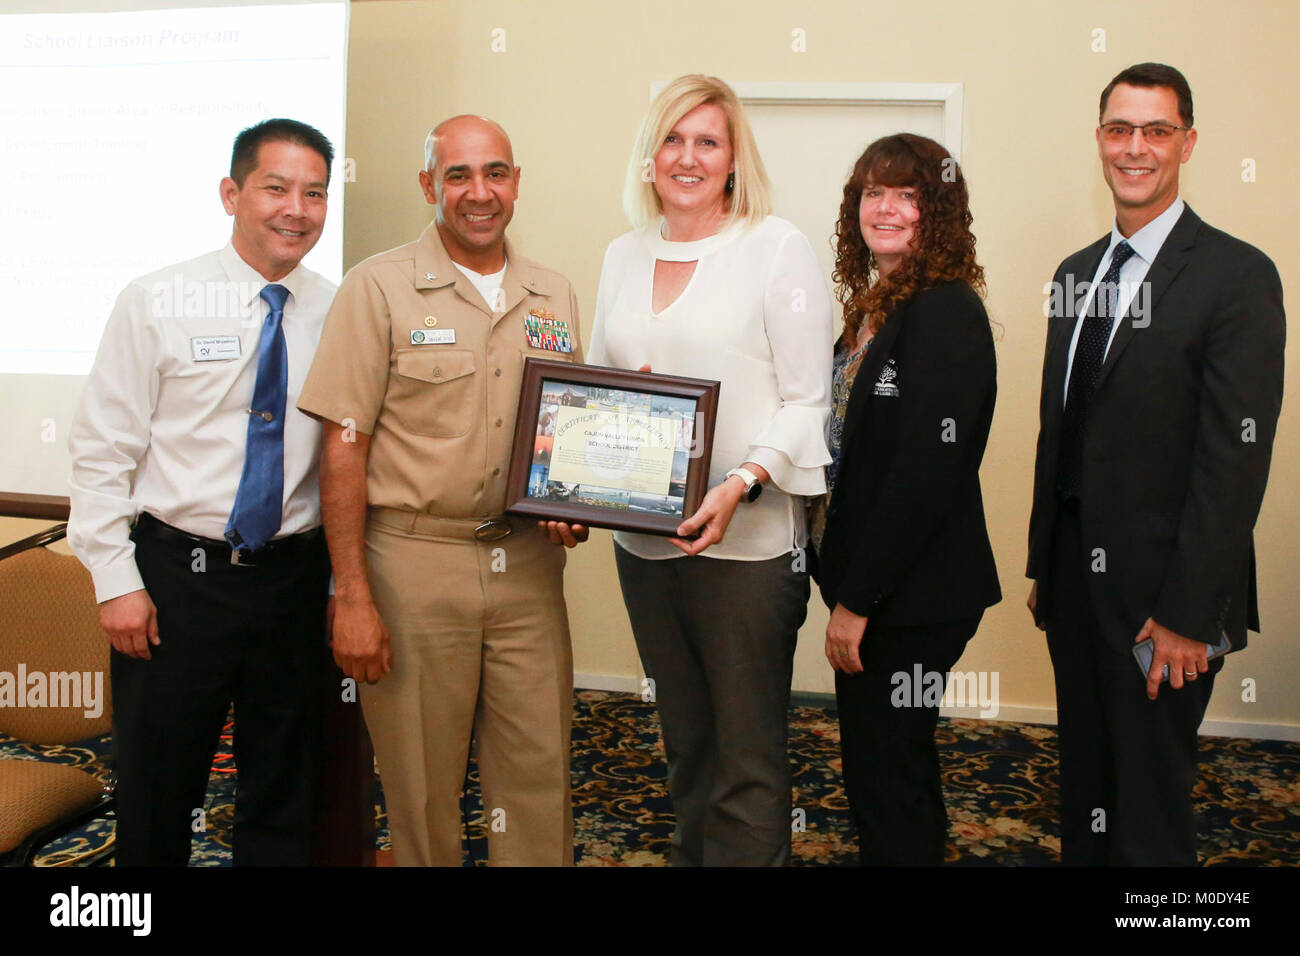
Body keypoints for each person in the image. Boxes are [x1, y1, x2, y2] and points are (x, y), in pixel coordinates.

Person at [297, 115, 586, 867]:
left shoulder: (552, 293)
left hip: (525, 569)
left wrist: (572, 502)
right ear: (430, 186)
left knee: (538, 772)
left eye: (495, 172)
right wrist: (352, 593)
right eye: (457, 176)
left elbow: (565, 434)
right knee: (421, 787)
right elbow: (343, 448)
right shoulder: (377, 288)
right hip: (412, 567)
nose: (479, 192)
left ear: (517, 183)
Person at [1026, 63, 1285, 866]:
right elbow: (1061, 432)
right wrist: (1047, 563)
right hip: (1074, 591)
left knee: (1146, 811)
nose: (1134, 148)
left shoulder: (1236, 276)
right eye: (1119, 129)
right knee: (1086, 793)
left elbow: (1232, 461)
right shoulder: (1076, 274)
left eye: (1156, 131)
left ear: (1188, 143)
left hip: (1165, 605)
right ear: (1100, 139)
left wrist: (1185, 615)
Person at [67, 119, 338, 865]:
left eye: (314, 193)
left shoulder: (340, 309)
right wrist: (114, 581)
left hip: (292, 580)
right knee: (157, 791)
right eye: (276, 188)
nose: (297, 209)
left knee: (284, 792)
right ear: (232, 193)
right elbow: (101, 450)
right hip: (176, 582)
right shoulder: (156, 299)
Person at [588, 75, 833, 866]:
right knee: (686, 742)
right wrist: (570, 480)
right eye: (673, 139)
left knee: (746, 754)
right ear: (649, 155)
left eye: (708, 142)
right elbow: (596, 387)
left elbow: (808, 401)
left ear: (733, 159)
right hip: (646, 546)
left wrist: (742, 482)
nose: (687, 157)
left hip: (747, 547)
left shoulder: (776, 247)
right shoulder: (623, 254)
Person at [810, 133, 1001, 866]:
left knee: (890, 768)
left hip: (911, 598)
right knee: (883, 758)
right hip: (883, 589)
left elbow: (928, 474)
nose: (884, 208)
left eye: (907, 196)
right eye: (872, 193)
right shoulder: (876, 305)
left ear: (938, 213)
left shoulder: (944, 312)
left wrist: (858, 603)